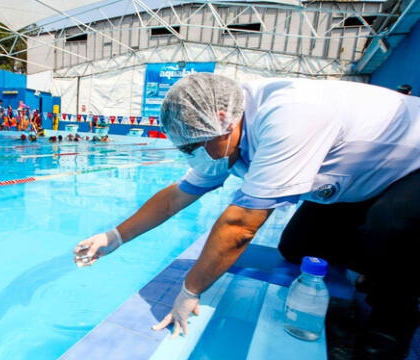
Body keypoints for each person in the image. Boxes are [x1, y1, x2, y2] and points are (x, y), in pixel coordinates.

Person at [73, 74, 420, 359]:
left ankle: (392, 317)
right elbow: (176, 197)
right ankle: (375, 260)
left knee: (388, 231)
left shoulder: (289, 116)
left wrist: (191, 289)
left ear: (224, 122)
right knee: (297, 247)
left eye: (196, 145)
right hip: (362, 176)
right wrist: (113, 237)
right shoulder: (224, 133)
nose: (195, 154)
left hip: (411, 168)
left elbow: (240, 226)